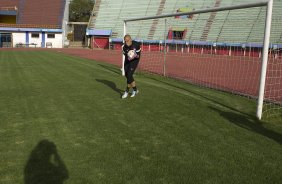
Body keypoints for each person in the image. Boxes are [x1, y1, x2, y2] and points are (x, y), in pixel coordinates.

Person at [121, 34, 141, 99]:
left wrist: (134, 55)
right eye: (125, 41)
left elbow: (138, 56)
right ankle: (135, 90)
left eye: (127, 41)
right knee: (127, 76)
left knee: (129, 75)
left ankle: (126, 91)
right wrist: (129, 57)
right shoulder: (124, 47)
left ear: (130, 39)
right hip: (127, 61)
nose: (126, 42)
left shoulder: (136, 45)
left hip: (134, 61)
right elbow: (126, 55)